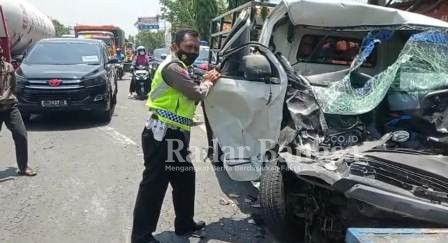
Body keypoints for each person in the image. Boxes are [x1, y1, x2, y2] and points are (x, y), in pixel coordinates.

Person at [131, 29, 220, 243]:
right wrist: (208, 81)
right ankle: (141, 236)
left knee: (185, 179)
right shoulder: (172, 68)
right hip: (161, 135)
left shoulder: (183, 68)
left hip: (174, 135)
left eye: (196, 48)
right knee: (154, 186)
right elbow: (195, 94)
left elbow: (187, 98)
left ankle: (184, 223)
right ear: (174, 47)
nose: (193, 52)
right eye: (188, 47)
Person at [0, 46, 37, 177]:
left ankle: (23, 167)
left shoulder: (8, 67)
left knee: (21, 134)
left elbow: (13, 86)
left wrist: (12, 98)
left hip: (10, 107)